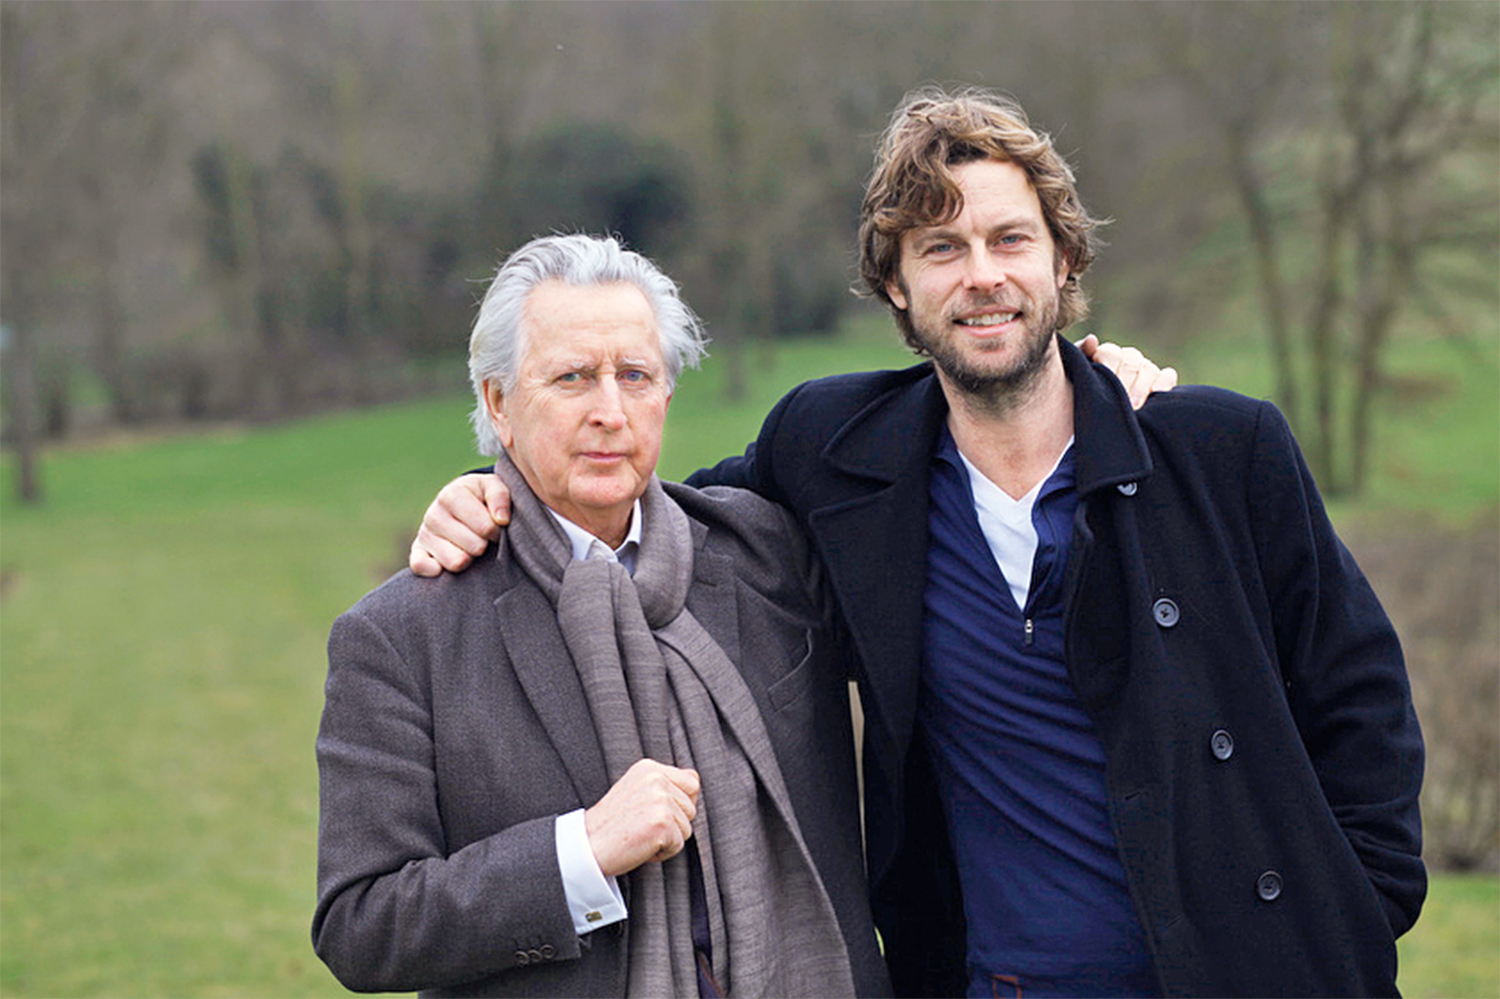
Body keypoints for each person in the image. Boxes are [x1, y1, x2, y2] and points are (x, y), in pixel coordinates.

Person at [409, 88, 1425, 998]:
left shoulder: (1218, 453)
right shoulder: (837, 456)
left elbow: (1359, 693)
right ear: (895, 284)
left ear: (1063, 260)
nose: (982, 276)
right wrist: (489, 490)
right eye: (941, 249)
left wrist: (1359, 907)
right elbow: (641, 512)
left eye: (1009, 240)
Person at [313, 233, 887, 997]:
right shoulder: (401, 635)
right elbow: (361, 925)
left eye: (635, 375)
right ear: (498, 403)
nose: (610, 412)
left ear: (666, 397)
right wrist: (578, 853)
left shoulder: (771, 551)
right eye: (573, 377)